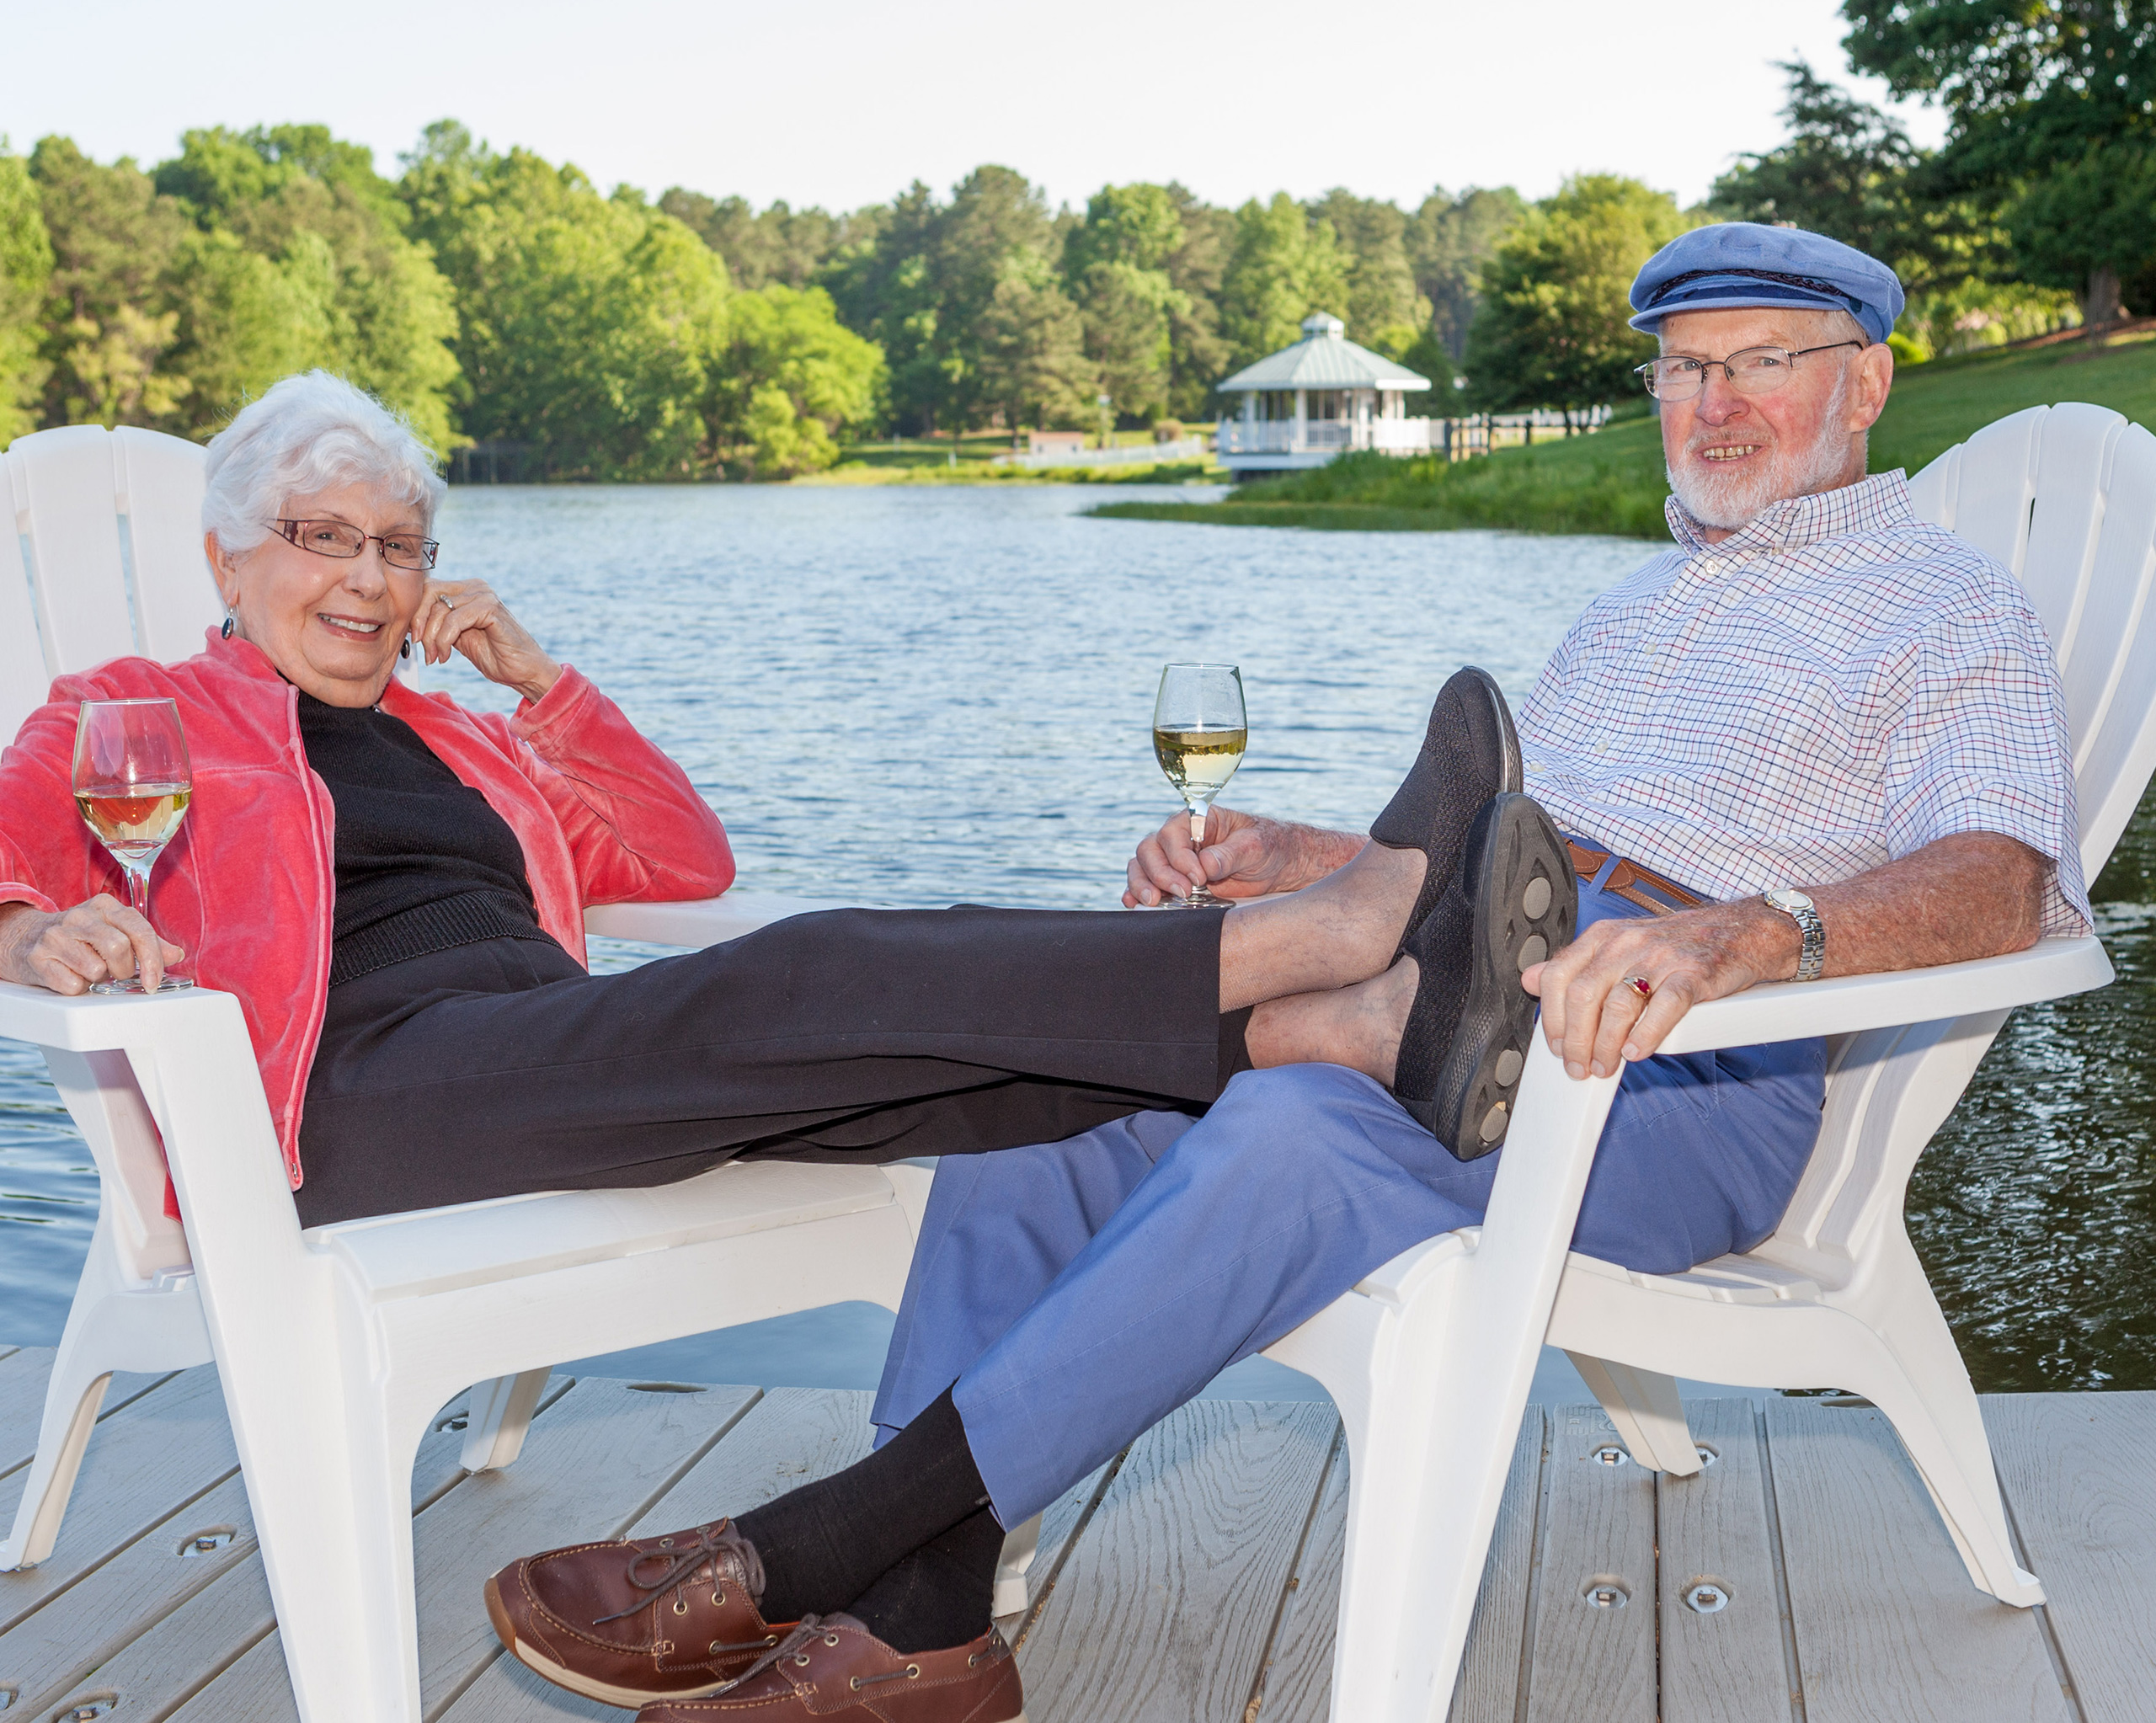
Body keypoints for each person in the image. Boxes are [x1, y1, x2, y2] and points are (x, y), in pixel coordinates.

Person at [484, 223, 2090, 1723]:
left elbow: (2005, 877)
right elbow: (1511, 870)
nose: (1712, 404)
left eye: (1760, 363)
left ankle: (834, 1546)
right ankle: (929, 1616)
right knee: (1047, 1098)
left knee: (1290, 1123)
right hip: (1489, 990)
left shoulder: (1944, 606)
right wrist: (1303, 856)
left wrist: (1745, 932)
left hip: (1673, 1075)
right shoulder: (1636, 607)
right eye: (1683, 368)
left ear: (1866, 380)